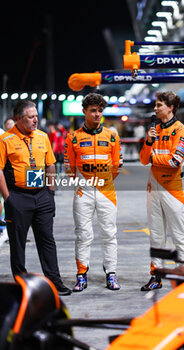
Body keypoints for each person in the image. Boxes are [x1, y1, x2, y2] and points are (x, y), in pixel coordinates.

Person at [0, 100, 71, 296]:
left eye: (36, 116)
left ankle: (55, 282)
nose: (35, 120)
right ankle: (22, 283)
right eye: (30, 117)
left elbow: (50, 165)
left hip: (42, 196)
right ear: (18, 119)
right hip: (18, 196)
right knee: (18, 242)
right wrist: (8, 198)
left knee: (47, 239)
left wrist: (50, 191)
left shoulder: (42, 137)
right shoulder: (5, 140)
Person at [64, 93, 123, 292]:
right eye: (93, 111)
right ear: (84, 112)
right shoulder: (72, 138)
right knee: (83, 235)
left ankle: (111, 273)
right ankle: (81, 275)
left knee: (109, 234)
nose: (97, 114)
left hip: (107, 191)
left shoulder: (112, 135)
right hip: (84, 191)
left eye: (100, 111)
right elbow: (69, 169)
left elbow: (116, 166)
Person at [140, 91, 184, 291]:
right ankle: (156, 275)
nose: (155, 109)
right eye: (156, 105)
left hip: (173, 189)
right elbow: (143, 159)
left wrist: (154, 159)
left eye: (159, 105)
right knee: (155, 235)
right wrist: (148, 142)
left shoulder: (182, 132)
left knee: (179, 235)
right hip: (153, 188)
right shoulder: (154, 131)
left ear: (170, 108)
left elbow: (174, 161)